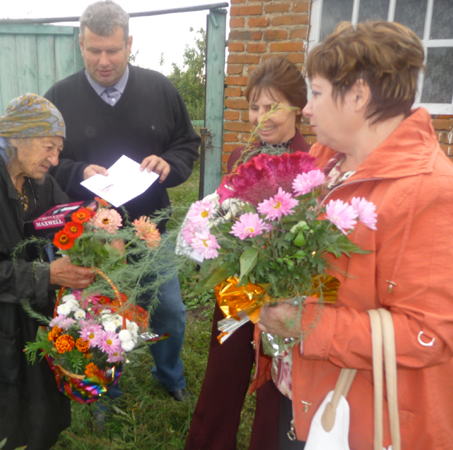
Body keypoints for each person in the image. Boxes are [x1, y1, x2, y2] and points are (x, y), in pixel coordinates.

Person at [255, 21, 453, 449]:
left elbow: (429, 335)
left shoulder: (430, 190)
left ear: (359, 96)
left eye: (318, 93)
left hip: (367, 417)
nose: (306, 109)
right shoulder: (327, 162)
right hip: (307, 394)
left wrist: (305, 323)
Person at [43, 0, 200, 403]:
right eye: (94, 50)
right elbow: (44, 163)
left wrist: (168, 164)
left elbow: (186, 143)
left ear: (129, 43)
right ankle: (105, 391)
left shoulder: (159, 89)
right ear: (80, 44)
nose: (104, 60)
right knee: (99, 317)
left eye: (112, 50)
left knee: (168, 311)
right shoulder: (59, 98)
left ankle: (169, 375)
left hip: (151, 229)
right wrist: (78, 173)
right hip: (90, 235)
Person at [0, 93, 96, 450]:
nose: (55, 159)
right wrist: (49, 275)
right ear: (16, 138)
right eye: (49, 147)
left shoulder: (37, 179)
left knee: (36, 388)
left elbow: (66, 215)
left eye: (58, 149)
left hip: (33, 302)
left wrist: (97, 229)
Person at [186, 57, 309, 450]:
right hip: (236, 287)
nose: (261, 116)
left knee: (275, 388)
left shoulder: (314, 164)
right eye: (254, 106)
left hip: (284, 292)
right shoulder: (241, 153)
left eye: (271, 105)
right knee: (222, 376)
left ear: (298, 106)